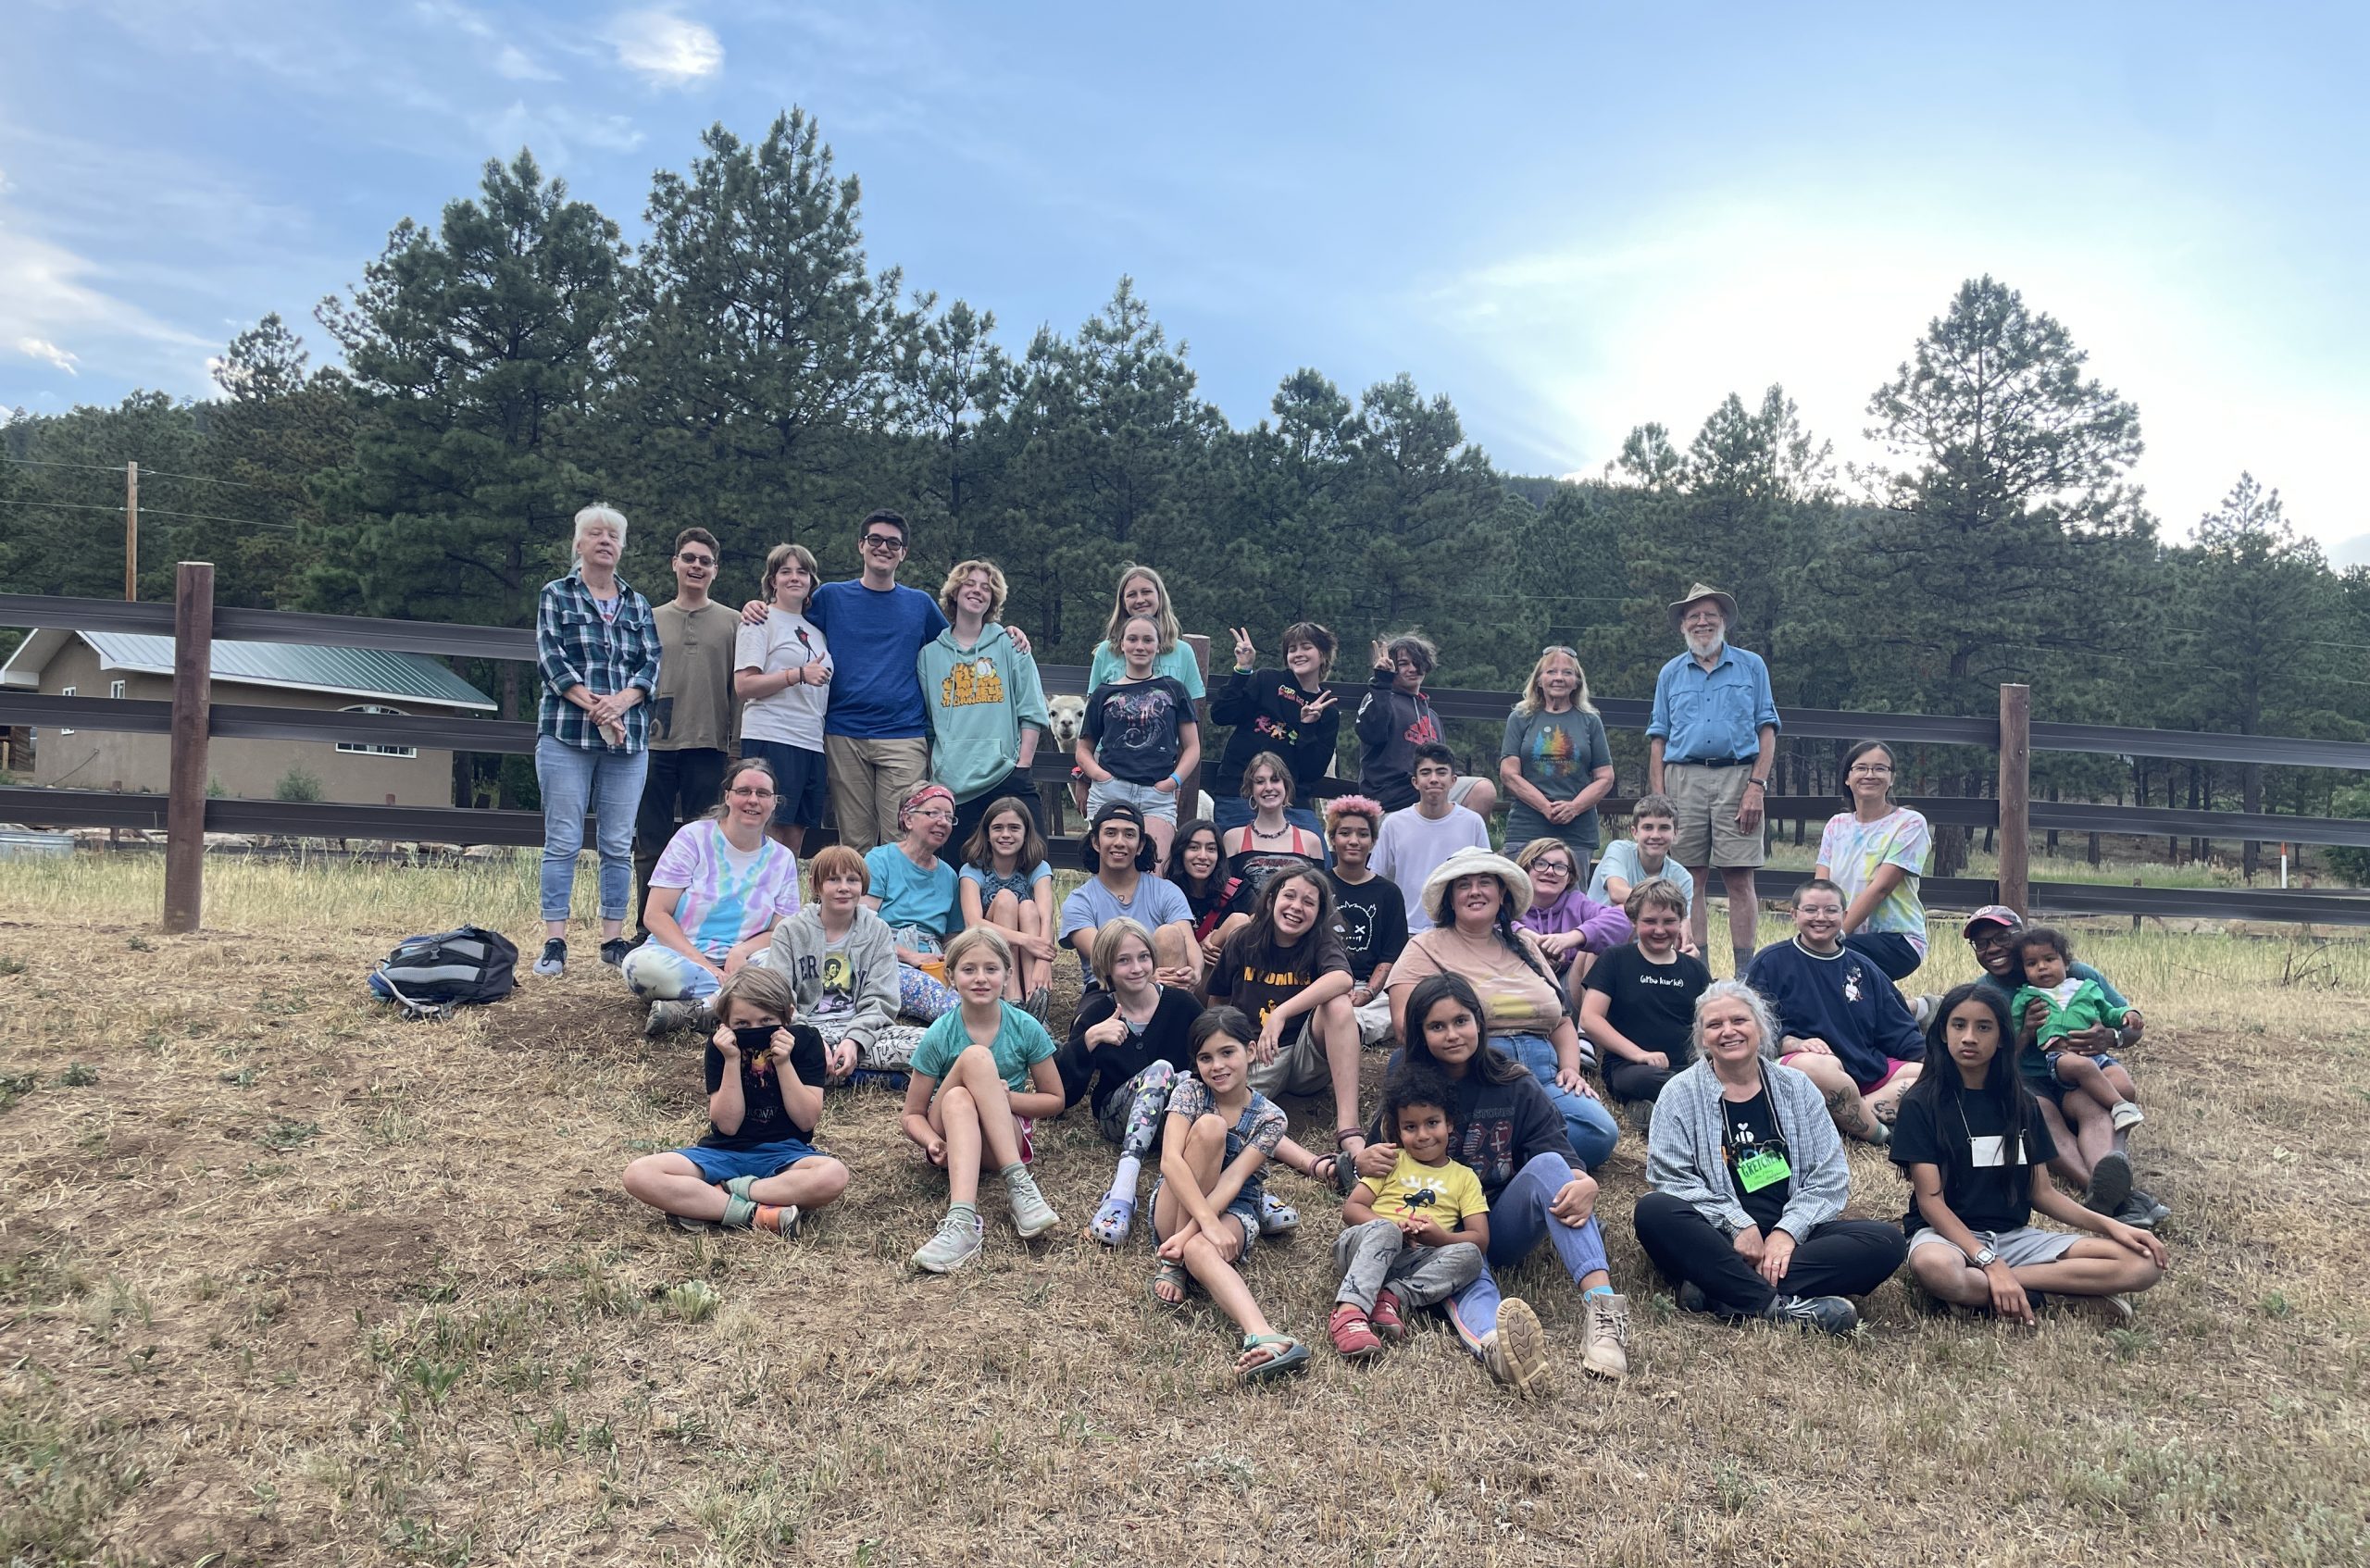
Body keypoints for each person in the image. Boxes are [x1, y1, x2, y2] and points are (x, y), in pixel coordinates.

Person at [1353, 974, 1630, 1388]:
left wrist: (1582, 1182)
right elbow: (1383, 1151)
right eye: (1436, 1026)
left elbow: (1555, 1149)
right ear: (1419, 1032)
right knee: (1471, 1275)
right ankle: (1496, 1346)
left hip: (1495, 1223)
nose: (1452, 1035)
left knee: (1552, 1165)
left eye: (1461, 1021)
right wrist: (1364, 1157)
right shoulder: (1407, 1074)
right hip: (1429, 1230)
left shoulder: (1513, 1081)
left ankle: (1604, 1315)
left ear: (1479, 1022)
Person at [1633, 980, 1908, 1336]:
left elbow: (1829, 1175)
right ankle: (1776, 1306)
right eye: (1714, 1025)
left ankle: (1722, 1288)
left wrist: (1786, 1232)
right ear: (1702, 1038)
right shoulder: (1679, 1093)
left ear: (1760, 1028)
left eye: (1739, 1021)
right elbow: (1672, 1179)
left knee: (1886, 1242)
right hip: (1714, 1235)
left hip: (1796, 1238)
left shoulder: (1796, 1086)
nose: (1728, 1031)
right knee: (1654, 1209)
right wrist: (1737, 1224)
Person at [1896, 984, 2168, 1323]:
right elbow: (1931, 1203)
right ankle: (2053, 1296)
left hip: (2014, 1239)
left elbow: (2042, 1193)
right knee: (1934, 1268)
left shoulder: (2022, 1104)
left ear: (2001, 1038)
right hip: (1945, 1238)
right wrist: (1986, 1260)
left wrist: (2113, 1227)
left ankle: (1992, 1290)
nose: (1969, 1037)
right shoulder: (1921, 1104)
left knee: (2143, 1264)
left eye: (1984, 1027)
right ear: (1941, 1034)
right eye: (1958, 1025)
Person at [1386, 848, 1620, 1170]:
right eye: (1463, 884)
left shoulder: (1524, 945)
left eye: (1485, 882)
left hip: (1542, 1075)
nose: (1475, 891)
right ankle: (1517, 1158)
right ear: (1449, 898)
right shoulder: (1425, 947)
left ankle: (1496, 1158)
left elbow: (1562, 1019)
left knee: (1599, 1133)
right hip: (1474, 1072)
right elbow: (1404, 1026)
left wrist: (1570, 1068)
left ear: (1502, 894)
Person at [1963, 906, 2164, 1226]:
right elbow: (1982, 1058)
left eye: (2002, 937)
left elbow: (2131, 1025)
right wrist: (2025, 1033)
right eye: (1982, 943)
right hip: (2026, 1078)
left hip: (2077, 1074)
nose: (1993, 949)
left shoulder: (2077, 974)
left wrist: (2110, 1037)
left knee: (2095, 1107)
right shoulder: (1984, 993)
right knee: (2042, 1117)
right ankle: (2116, 1197)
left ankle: (2112, 1185)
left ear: (2020, 936)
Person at [1147, 1006, 1312, 1383]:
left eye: (1227, 1053)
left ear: (1251, 1051)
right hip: (1176, 1202)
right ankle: (1175, 1262)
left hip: (1232, 1207)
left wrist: (1192, 1236)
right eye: (1206, 1057)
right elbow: (1171, 1162)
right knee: (1210, 1128)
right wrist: (1202, 1222)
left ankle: (1266, 1337)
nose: (1217, 1066)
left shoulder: (1271, 1117)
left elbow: (1235, 1180)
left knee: (1198, 1250)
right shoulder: (1190, 1091)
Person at [620, 966, 850, 1236]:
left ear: (786, 1017)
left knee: (833, 1174)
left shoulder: (806, 1041)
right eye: (742, 1024)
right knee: (638, 1174)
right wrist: (731, 1059)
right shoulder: (721, 1047)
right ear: (725, 1024)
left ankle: (719, 1196)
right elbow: (728, 1125)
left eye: (766, 1022)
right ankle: (757, 1215)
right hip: (725, 1151)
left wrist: (784, 1062)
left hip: (787, 1155)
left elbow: (806, 1119)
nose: (755, 1031)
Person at [533, 504, 660, 977]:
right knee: (563, 839)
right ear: (578, 543)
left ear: (622, 547)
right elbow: (552, 660)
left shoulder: (638, 603)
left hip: (627, 742)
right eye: (595, 533)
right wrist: (597, 706)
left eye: (613, 535)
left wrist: (621, 703)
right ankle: (554, 939)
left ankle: (612, 938)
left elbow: (651, 665)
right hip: (566, 734)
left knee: (616, 842)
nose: (605, 541)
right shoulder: (556, 595)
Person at [900, 927, 1064, 1273]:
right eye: (969, 969)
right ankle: (1012, 1188)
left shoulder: (1025, 1027)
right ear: (950, 976)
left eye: (991, 969)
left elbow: (1054, 1100)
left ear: (1007, 975)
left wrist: (1008, 1099)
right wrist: (930, 1140)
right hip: (949, 1139)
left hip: (1003, 1137)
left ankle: (965, 1219)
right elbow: (912, 1114)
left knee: (963, 1091)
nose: (980, 978)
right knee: (971, 1067)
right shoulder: (940, 1033)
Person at [1645, 582, 1778, 977]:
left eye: (1710, 616)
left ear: (1724, 622)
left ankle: (1744, 974)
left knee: (1739, 878)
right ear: (1683, 625)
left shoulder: (1751, 665)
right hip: (1682, 777)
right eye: (1694, 616)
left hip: (1738, 777)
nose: (1702, 622)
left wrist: (1757, 786)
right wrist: (1659, 798)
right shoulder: (1670, 672)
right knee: (1688, 879)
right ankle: (1697, 969)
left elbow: (1767, 729)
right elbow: (1659, 736)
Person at [621, 758, 805, 1037]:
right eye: (744, 791)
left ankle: (699, 1009)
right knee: (638, 967)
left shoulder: (782, 858)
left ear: (774, 803)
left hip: (747, 960)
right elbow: (655, 914)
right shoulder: (693, 838)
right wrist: (704, 964)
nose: (753, 800)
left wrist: (740, 951)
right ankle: (751, 1005)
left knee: (789, 965)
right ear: (728, 796)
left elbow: (782, 928)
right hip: (681, 955)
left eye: (763, 794)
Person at [1206, 866, 1371, 1172]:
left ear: (1320, 913)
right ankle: (1318, 1166)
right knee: (1229, 1113)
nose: (1297, 907)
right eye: (1289, 896)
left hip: (1307, 1054)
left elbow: (1342, 979)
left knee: (1338, 1005)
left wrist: (1281, 1013)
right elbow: (1217, 1001)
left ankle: (1349, 1130)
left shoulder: (1321, 941)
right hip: (1260, 1054)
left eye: (1309, 902)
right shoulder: (1244, 940)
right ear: (1270, 900)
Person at [805, 510, 946, 854]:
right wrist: (755, 608)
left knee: (906, 838)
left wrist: (1002, 632)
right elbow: (786, 620)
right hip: (843, 732)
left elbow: (959, 644)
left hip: (902, 733)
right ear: (861, 545)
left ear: (903, 552)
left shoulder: (920, 604)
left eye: (893, 543)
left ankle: (900, 910)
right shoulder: (831, 597)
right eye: (875, 540)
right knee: (855, 842)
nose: (883, 547)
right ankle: (858, 908)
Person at [1744, 879, 1925, 1143]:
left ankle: (1841, 1119)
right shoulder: (1770, 961)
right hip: (1807, 1068)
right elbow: (1750, 1020)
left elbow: (1897, 1026)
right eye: (1810, 910)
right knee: (1820, 1067)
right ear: (1793, 914)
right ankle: (1879, 1135)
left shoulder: (1865, 968)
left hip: (1865, 1068)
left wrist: (1927, 1058)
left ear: (1845, 915)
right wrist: (1788, 1041)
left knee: (1938, 1077)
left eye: (1830, 910)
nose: (1821, 918)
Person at [1059, 919, 1204, 1247]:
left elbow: (1212, 1061)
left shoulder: (1182, 1005)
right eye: (1123, 960)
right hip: (1118, 1116)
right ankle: (1122, 1193)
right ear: (1106, 967)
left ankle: (1247, 1187)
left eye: (1143, 957)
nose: (1136, 968)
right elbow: (1063, 1093)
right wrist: (1088, 1041)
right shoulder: (1097, 1012)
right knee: (1162, 1069)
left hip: (1176, 1119)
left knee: (1185, 1079)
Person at [1328, 1065, 1489, 1359]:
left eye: (1432, 1123)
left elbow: (1479, 1239)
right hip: (1365, 1247)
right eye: (1410, 1127)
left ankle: (1393, 1298)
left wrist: (1440, 1237)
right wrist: (1391, 1227)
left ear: (1449, 1123)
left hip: (1417, 1259)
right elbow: (1352, 1209)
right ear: (1398, 1130)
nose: (1423, 1134)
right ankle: (1349, 1312)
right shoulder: (1390, 1160)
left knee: (1470, 1256)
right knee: (1386, 1231)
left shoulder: (1465, 1177)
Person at [634, 528, 740, 935]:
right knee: (650, 842)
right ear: (675, 563)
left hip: (710, 746)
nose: (696, 566)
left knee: (705, 846)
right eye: (689, 558)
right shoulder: (648, 618)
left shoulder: (733, 622)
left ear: (715, 570)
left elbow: (740, 690)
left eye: (705, 561)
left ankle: (696, 928)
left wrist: (736, 746)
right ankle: (647, 929)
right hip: (653, 744)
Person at [919, 557, 1050, 860]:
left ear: (993, 599)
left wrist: (1022, 767)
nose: (977, 591)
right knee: (956, 876)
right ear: (954, 591)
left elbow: (1031, 709)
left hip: (1006, 776)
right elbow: (928, 724)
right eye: (969, 584)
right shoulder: (929, 656)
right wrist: (935, 771)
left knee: (1033, 864)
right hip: (953, 785)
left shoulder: (1011, 645)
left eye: (986, 588)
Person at [767, 844, 922, 1077]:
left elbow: (882, 999)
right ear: (815, 884)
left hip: (862, 1030)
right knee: (765, 1050)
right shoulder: (789, 930)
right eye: (833, 880)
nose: (844, 888)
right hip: (804, 1030)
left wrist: (854, 1041)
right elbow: (778, 996)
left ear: (863, 885)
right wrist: (809, 1040)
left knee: (929, 1044)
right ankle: (871, 1076)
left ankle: (831, 1071)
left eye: (852, 880)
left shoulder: (878, 930)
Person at [1076, 614, 1200, 873]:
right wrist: (1100, 776)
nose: (1139, 646)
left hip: (1157, 795)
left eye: (1147, 640)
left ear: (1158, 645)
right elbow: (1083, 749)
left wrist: (1172, 782)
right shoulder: (1103, 693)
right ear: (1121, 644)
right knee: (1108, 874)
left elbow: (1192, 748)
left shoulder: (1174, 690)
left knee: (1155, 875)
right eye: (1132, 639)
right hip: (1111, 791)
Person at [733, 542, 832, 853]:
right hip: (771, 736)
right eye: (785, 571)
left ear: (811, 581)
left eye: (802, 572)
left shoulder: (817, 631)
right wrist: (797, 674)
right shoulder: (760, 619)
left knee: (794, 840)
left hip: (811, 743)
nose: (794, 578)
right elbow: (744, 685)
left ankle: (786, 903)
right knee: (767, 835)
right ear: (772, 580)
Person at [1582, 878, 1714, 1109]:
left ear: (1681, 921)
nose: (1660, 930)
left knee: (1714, 1077)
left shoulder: (1695, 969)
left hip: (1686, 1067)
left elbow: (1711, 1021)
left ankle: (1650, 1109)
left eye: (1669, 922)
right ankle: (1688, 1101)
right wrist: (1639, 1055)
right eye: (1650, 921)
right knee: (1644, 1080)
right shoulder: (1615, 959)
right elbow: (1590, 1019)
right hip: (1631, 1067)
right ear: (1633, 921)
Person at [1814, 740, 1932, 983]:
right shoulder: (1837, 825)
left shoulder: (1909, 823)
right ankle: (1911, 1010)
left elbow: (1881, 888)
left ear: (1892, 778)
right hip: (1841, 934)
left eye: (1880, 768)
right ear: (1847, 778)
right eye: (1861, 768)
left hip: (1897, 938)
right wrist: (1816, 928)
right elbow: (1821, 889)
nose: (1870, 774)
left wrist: (1834, 936)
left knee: (1829, 962)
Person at [2008, 926, 2145, 1132]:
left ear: (2066, 962)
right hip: (2061, 1057)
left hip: (2096, 1055)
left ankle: (2119, 1123)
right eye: (2032, 964)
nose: (2042, 967)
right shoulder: (2026, 997)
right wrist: (2026, 1031)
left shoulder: (2085, 987)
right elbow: (2012, 1031)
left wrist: (2127, 1015)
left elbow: (2109, 1012)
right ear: (2024, 970)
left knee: (2124, 1085)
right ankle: (2119, 1107)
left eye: (2049, 959)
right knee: (2082, 1067)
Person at [1210, 621, 1340, 833]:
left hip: (1292, 803)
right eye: (1292, 649)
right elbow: (1221, 714)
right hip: (1239, 793)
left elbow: (1312, 772)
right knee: (1235, 862)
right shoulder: (1267, 680)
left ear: (1323, 654)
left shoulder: (1328, 711)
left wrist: (1307, 727)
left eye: (1306, 647)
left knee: (1318, 862)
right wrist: (1242, 670)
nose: (1298, 653)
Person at [1355, 631, 1497, 817]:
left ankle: (1461, 847)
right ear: (1393, 668)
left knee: (1482, 790)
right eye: (1403, 663)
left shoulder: (1432, 716)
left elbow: (1442, 760)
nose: (1412, 668)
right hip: (1391, 800)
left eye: (1417, 662)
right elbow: (1371, 732)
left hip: (1429, 791)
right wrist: (1382, 682)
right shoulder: (1379, 699)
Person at [1498, 646, 1615, 869]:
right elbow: (1509, 773)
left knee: (1573, 901)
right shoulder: (1520, 718)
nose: (1559, 678)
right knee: (1522, 899)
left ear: (1577, 681)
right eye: (1551, 672)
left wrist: (1574, 807)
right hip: (1527, 827)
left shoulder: (1590, 721)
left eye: (1567, 673)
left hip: (1577, 830)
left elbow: (1605, 777)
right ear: (1539, 680)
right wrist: (1544, 806)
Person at [1059, 803, 1199, 989]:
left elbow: (1189, 942)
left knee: (1169, 934)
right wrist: (1147, 977)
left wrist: (1195, 971)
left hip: (1165, 992)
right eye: (1110, 833)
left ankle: (1169, 1015)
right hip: (1107, 992)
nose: (1119, 842)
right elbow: (1104, 957)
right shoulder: (1079, 902)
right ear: (1095, 842)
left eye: (1129, 834)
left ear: (1140, 845)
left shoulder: (1166, 891)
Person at [865, 783, 964, 1024]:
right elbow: (861, 926)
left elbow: (952, 938)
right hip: (888, 960)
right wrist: (911, 956)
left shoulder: (949, 875)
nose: (943, 822)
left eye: (949, 817)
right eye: (933, 813)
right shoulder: (880, 860)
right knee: (950, 1004)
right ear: (908, 819)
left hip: (935, 963)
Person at [1371, 741, 1491, 936]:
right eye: (1426, 772)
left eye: (1441, 772)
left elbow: (1486, 874)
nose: (1433, 779)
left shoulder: (1473, 822)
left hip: (1458, 929)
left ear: (1453, 780)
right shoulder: (1393, 824)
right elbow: (1376, 878)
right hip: (1406, 929)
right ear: (1415, 782)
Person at [956, 798, 1057, 1018]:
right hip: (986, 947)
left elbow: (1046, 917)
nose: (1005, 835)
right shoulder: (973, 869)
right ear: (987, 833)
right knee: (1005, 899)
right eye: (998, 828)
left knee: (1029, 907)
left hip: (1028, 953)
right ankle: (1013, 999)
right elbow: (973, 923)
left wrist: (1044, 960)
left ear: (1026, 832)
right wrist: (1025, 940)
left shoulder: (1037, 867)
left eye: (1014, 828)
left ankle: (1035, 998)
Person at [1324, 795, 1408, 1046]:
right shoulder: (1317, 885)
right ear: (1332, 839)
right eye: (1345, 833)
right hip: (1324, 981)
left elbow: (1390, 955)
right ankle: (1341, 1024)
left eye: (1362, 834)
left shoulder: (1389, 893)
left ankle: (1354, 1028)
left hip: (1372, 989)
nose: (1353, 841)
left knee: (1398, 1004)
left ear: (1372, 842)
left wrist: (1368, 992)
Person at [1513, 838, 1631, 1001]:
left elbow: (1624, 916)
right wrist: (1535, 941)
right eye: (1540, 864)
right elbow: (1491, 924)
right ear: (1525, 870)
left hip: (1567, 989)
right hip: (1518, 989)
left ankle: (1589, 1022)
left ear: (1569, 878)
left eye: (1560, 867)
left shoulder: (1576, 903)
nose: (1550, 871)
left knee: (1596, 949)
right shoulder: (1509, 903)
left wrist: (1572, 938)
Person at [1218, 751, 1328, 904]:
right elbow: (1225, 899)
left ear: (1286, 786)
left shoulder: (1311, 841)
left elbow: (1318, 900)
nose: (1268, 787)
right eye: (1260, 781)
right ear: (1250, 789)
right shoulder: (1233, 839)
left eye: (1275, 780)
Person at [1087, 565, 1208, 703]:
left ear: (1159, 596)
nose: (1140, 600)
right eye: (1132, 594)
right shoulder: (1105, 651)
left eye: (1146, 592)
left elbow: (1192, 710)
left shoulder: (1183, 651)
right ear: (1123, 602)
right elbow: (1093, 708)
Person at [1587, 792, 1697, 916]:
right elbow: (1617, 893)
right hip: (1600, 930)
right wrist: (1669, 902)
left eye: (1664, 828)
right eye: (1648, 827)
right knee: (1622, 910)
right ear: (1634, 832)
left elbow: (1681, 924)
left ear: (1675, 833)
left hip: (1652, 933)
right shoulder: (1619, 850)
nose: (1655, 835)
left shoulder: (1683, 878)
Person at [1170, 818, 1247, 959]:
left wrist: (1218, 935)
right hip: (1179, 972)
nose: (1203, 856)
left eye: (1211, 849)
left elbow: (1261, 919)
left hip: (1220, 970)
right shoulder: (1165, 891)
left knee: (1239, 920)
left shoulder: (1237, 889)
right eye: (1194, 847)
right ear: (1180, 852)